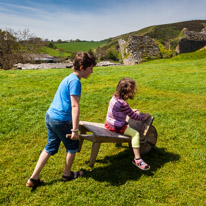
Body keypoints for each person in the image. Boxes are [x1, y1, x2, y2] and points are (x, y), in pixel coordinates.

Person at [26, 52, 97, 187]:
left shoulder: (68, 78)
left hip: (50, 117)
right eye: (91, 69)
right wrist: (75, 130)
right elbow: (75, 106)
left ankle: (33, 178)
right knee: (72, 147)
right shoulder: (75, 81)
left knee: (50, 146)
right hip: (62, 120)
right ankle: (67, 174)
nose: (92, 72)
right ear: (82, 67)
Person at [105, 78, 151, 170]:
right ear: (129, 91)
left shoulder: (114, 98)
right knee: (135, 134)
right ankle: (137, 159)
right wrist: (143, 117)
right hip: (116, 126)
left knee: (131, 126)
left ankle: (137, 158)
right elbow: (134, 117)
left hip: (108, 123)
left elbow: (121, 110)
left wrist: (129, 111)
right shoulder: (123, 104)